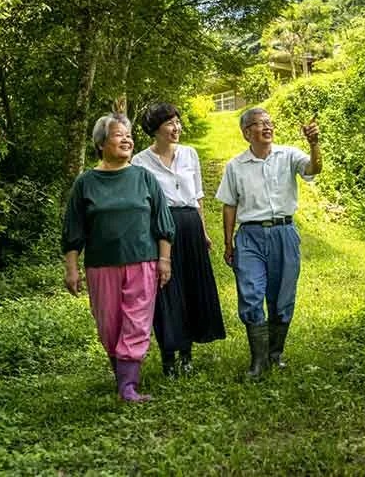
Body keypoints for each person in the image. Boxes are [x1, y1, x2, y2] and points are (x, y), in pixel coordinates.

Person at [62, 112, 175, 402]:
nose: (127, 140)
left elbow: (162, 222)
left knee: (136, 322)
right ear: (101, 143)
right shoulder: (85, 183)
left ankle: (128, 386)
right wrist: (71, 269)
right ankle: (121, 374)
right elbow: (73, 229)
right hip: (101, 266)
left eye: (129, 135)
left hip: (142, 261)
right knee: (109, 325)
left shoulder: (144, 178)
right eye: (118, 135)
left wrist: (164, 260)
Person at [215, 107, 322, 378]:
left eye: (269, 122)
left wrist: (314, 144)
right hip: (250, 236)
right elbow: (229, 205)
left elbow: (314, 168)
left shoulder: (288, 155)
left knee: (282, 297)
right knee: (251, 295)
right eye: (259, 123)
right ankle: (258, 362)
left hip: (284, 233)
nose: (267, 127)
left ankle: (275, 354)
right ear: (246, 132)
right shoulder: (235, 166)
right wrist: (228, 243)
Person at [131, 103, 226, 378]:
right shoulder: (140, 162)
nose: (177, 128)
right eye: (170, 123)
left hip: (190, 225)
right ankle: (168, 358)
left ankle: (187, 355)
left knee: (192, 289)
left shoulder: (189, 154)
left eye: (178, 122)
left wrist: (203, 232)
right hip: (161, 229)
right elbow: (142, 206)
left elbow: (198, 196)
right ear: (155, 129)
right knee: (167, 291)